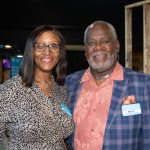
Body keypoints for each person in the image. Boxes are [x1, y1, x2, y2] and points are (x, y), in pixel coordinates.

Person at [65, 20, 150, 150]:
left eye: (105, 41)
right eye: (91, 43)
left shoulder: (143, 85)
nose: (98, 47)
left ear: (117, 46)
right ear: (86, 50)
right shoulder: (69, 83)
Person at [0, 25, 74, 150]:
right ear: (31, 51)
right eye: (40, 46)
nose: (47, 52)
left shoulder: (62, 90)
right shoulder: (10, 90)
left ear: (60, 52)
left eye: (54, 46)